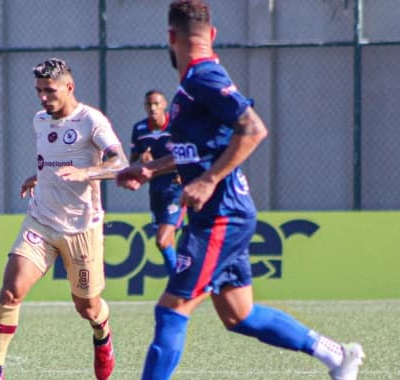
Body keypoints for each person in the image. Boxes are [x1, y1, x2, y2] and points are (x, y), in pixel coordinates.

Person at [116, 1, 364, 380]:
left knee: (171, 308)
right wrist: (151, 167)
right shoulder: (193, 84)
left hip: (220, 215)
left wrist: (207, 180)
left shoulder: (204, 78)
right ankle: (337, 355)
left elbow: (253, 128)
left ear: (170, 38)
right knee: (239, 313)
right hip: (220, 213)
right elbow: (198, 150)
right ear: (212, 35)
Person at [0, 58, 128, 380]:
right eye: (38, 90)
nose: (42, 97)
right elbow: (52, 162)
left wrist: (86, 173)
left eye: (49, 91)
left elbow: (120, 163)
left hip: (81, 228)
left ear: (69, 87)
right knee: (10, 291)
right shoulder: (40, 120)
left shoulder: (92, 121)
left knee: (88, 308)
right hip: (41, 220)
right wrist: (38, 177)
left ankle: (102, 334)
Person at [129, 89, 185, 275]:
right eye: (149, 104)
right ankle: (179, 286)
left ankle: (178, 283)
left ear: (165, 105)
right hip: (156, 190)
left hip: (177, 188)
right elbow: (133, 162)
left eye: (156, 104)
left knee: (162, 239)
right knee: (167, 243)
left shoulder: (177, 126)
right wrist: (142, 161)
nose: (152, 108)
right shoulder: (140, 130)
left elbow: (187, 155)